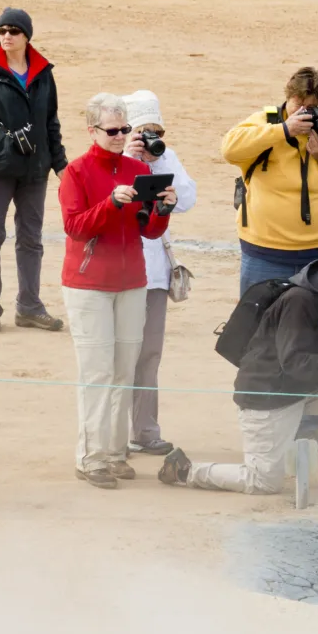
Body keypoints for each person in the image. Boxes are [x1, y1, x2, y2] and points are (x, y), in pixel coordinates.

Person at [223, 66, 318, 454]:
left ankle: (307, 424)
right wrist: (283, 131)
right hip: (266, 255)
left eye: (314, 107)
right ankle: (267, 416)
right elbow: (230, 149)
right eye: (299, 106)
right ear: (287, 100)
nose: (307, 114)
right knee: (261, 339)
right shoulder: (265, 124)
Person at [157, 248, 318, 494]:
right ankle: (185, 470)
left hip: (306, 388)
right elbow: (293, 363)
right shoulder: (299, 301)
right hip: (269, 395)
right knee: (262, 482)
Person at [59, 94, 176, 489]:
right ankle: (90, 458)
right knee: (97, 373)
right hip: (89, 285)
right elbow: (76, 227)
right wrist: (110, 203)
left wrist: (163, 208)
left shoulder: (135, 168)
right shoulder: (76, 172)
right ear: (92, 131)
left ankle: (112, 453)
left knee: (124, 371)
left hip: (132, 284)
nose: (120, 135)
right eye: (112, 130)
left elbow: (149, 230)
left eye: (124, 129)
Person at [0, 7, 69, 333]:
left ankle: (29, 306)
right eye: (1, 31)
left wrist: (60, 164)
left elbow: (50, 123)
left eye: (13, 31)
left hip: (34, 169)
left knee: (31, 239)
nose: (5, 36)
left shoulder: (43, 73)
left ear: (26, 36)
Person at [123, 90, 198, 457]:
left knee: (149, 355)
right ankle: (110, 434)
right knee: (117, 356)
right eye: (142, 131)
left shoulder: (164, 157)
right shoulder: (113, 159)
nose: (149, 138)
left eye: (155, 131)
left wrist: (159, 159)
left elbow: (186, 199)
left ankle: (145, 430)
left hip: (152, 275)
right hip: (117, 273)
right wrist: (128, 158)